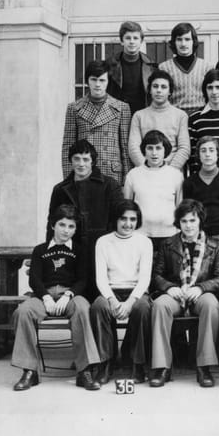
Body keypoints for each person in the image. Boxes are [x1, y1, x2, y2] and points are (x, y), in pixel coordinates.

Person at [11, 205, 102, 392]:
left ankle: (84, 370)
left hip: (71, 295)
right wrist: (45, 297)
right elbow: (34, 279)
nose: (66, 230)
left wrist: (68, 295)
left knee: (82, 309)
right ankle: (30, 371)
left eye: (71, 226)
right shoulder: (40, 250)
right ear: (53, 225)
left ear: (75, 229)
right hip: (43, 295)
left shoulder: (79, 250)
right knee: (23, 311)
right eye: (62, 225)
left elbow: (83, 279)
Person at [149, 200, 219, 388]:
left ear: (200, 221)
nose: (188, 225)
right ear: (178, 223)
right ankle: (162, 367)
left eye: (192, 220)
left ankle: (204, 366)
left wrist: (201, 288)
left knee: (211, 305)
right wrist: (169, 287)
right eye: (184, 221)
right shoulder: (168, 244)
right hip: (176, 292)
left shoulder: (214, 246)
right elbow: (156, 275)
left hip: (200, 293)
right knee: (160, 305)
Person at [48, 139, 124, 297]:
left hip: (102, 250)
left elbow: (118, 220)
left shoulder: (109, 185)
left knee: (101, 299)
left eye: (85, 159)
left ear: (92, 161)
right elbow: (52, 225)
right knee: (75, 298)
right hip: (72, 252)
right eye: (76, 159)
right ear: (71, 161)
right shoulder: (60, 190)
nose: (81, 164)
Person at [90, 200, 153, 384]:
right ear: (115, 219)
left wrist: (130, 302)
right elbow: (101, 278)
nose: (128, 224)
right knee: (98, 307)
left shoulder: (144, 242)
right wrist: (111, 299)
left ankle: (137, 362)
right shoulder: (103, 242)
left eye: (133, 219)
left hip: (136, 291)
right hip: (111, 290)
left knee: (143, 308)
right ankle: (105, 362)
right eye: (123, 219)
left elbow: (145, 279)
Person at [62, 60, 131, 186]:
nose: (98, 84)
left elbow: (125, 149)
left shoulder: (122, 108)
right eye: (93, 79)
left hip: (112, 173)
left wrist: (127, 182)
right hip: (83, 171)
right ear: (87, 81)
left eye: (102, 80)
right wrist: (68, 182)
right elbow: (68, 146)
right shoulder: (74, 108)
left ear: (108, 81)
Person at [182, 136, 219, 271]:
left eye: (211, 150)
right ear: (198, 155)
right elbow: (187, 213)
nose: (207, 154)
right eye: (203, 150)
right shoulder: (190, 183)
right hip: (199, 236)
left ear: (218, 154)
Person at [123, 129, 183, 251]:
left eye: (158, 148)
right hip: (140, 235)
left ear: (165, 150)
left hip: (169, 236)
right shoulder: (133, 175)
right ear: (144, 150)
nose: (154, 153)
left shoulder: (176, 175)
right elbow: (127, 207)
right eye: (150, 148)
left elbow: (180, 208)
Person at [128, 70, 190, 170]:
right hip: (145, 172)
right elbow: (133, 148)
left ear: (170, 91)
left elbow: (184, 148)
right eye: (155, 86)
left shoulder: (180, 116)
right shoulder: (139, 116)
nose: (159, 90)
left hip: (172, 172)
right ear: (150, 90)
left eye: (163, 87)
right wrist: (147, 169)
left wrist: (169, 171)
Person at [105, 21, 158, 115]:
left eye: (135, 38)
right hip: (116, 116)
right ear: (122, 41)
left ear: (141, 41)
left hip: (143, 115)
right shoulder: (109, 65)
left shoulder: (151, 66)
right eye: (128, 38)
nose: (132, 41)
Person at [158, 22, 211, 115]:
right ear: (174, 42)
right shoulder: (164, 68)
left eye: (187, 39)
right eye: (179, 39)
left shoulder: (206, 67)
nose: (183, 44)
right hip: (174, 116)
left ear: (193, 42)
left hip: (201, 116)